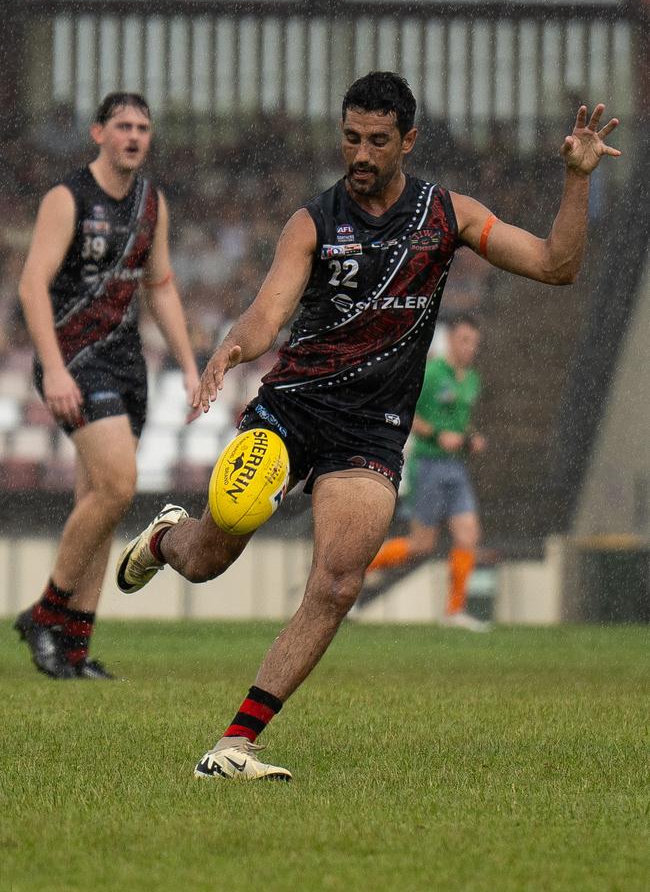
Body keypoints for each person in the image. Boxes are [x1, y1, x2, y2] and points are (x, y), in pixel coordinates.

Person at [116, 72, 620, 781]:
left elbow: (556, 265)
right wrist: (231, 348)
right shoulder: (314, 221)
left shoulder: (446, 216)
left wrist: (576, 180)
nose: (360, 152)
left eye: (377, 140)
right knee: (206, 560)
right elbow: (268, 313)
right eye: (351, 137)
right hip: (293, 409)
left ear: (408, 141)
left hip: (372, 430)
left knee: (338, 583)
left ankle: (235, 744)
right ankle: (168, 537)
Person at [15, 92, 199, 680]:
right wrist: (55, 368)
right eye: (122, 125)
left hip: (125, 365)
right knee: (120, 485)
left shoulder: (152, 203)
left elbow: (161, 286)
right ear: (98, 132)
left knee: (99, 500)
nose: (134, 136)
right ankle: (45, 613)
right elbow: (31, 288)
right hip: (74, 361)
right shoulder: (68, 198)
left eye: (143, 128)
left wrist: (190, 364)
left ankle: (73, 648)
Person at [366, 315, 489, 630]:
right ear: (450, 341)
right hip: (430, 464)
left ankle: (454, 611)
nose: (469, 347)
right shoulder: (433, 374)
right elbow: (411, 416)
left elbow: (460, 421)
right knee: (422, 544)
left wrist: (471, 438)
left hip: (456, 467)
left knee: (468, 535)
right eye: (464, 340)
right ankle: (361, 566)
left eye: (474, 342)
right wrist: (437, 435)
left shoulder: (472, 378)